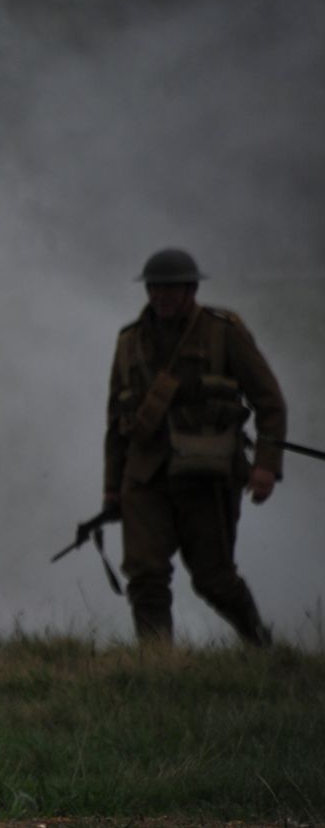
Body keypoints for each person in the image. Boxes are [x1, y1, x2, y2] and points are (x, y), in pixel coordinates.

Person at [104, 248, 285, 646]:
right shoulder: (130, 341)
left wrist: (266, 466)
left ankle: (259, 644)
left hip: (208, 474)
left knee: (214, 579)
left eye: (170, 289)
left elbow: (268, 401)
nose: (161, 297)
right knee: (145, 574)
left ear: (191, 289)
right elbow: (118, 419)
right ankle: (157, 666)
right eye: (154, 288)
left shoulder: (223, 332)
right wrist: (112, 486)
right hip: (146, 475)